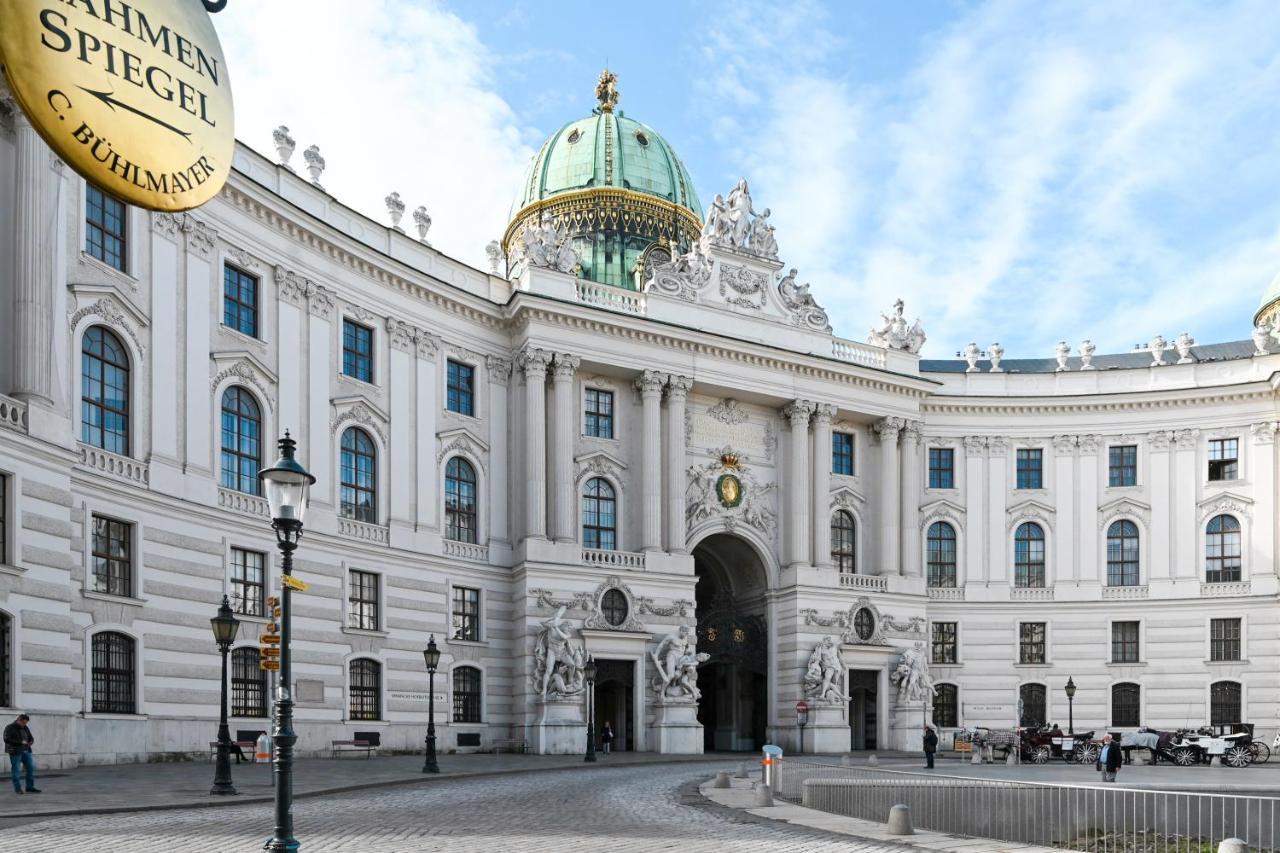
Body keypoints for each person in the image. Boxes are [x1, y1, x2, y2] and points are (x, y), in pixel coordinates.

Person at [4, 714, 39, 794]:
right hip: (15, 752)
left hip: (27, 751)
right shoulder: (9, 727)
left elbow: (30, 737)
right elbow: (6, 739)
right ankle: (18, 789)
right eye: (23, 723)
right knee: (16, 770)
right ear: (18, 720)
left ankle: (29, 787)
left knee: (30, 769)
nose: (24, 724)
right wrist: (20, 742)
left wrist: (31, 741)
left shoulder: (25, 727)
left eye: (26, 723)